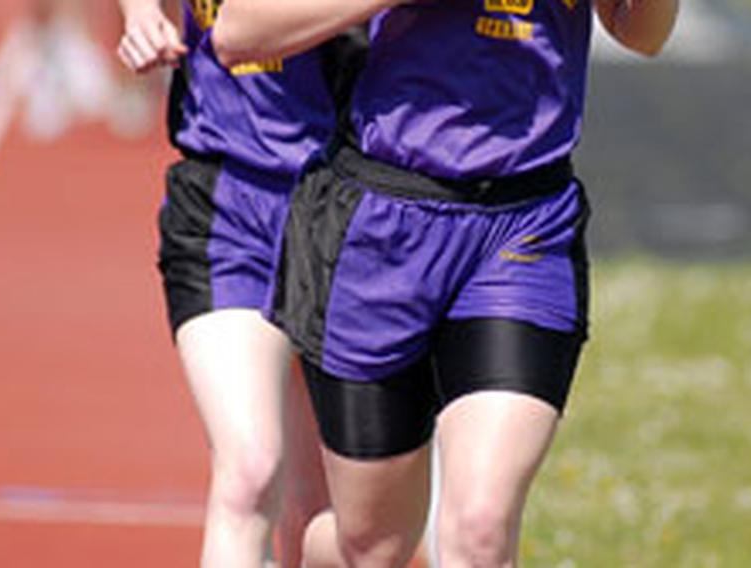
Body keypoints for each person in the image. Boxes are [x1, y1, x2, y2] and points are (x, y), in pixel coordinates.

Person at [212, 1, 679, 566]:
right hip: (378, 231)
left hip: (522, 229)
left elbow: (643, 34)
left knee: (480, 527)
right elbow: (240, 32)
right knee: (373, 546)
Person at [116, 0, 368, 565]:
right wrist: (137, 13)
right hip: (224, 205)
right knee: (250, 471)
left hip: (351, 207)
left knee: (335, 520)